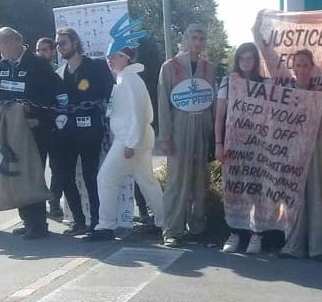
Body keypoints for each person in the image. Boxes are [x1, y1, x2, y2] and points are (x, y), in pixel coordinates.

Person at [0, 27, 63, 239]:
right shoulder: (1, 66)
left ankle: (38, 224)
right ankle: (27, 220)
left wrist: (39, 119)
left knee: (32, 175)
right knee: (17, 174)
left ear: (12, 43)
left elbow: (52, 96)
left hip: (34, 131)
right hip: (10, 129)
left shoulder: (38, 64)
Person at [88, 39, 164, 241]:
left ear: (126, 58)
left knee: (106, 178)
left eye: (114, 57)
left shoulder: (130, 81)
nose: (109, 61)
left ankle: (106, 226)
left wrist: (131, 142)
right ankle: (166, 221)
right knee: (147, 181)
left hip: (130, 139)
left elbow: (137, 114)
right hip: (133, 137)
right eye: (108, 57)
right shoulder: (126, 79)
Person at [278, 50, 322, 260]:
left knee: (316, 196)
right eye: (299, 65)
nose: (302, 69)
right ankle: (292, 246)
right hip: (291, 151)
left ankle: (318, 248)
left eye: (306, 65)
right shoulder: (283, 92)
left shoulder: (320, 92)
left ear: (311, 68)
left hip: (314, 150)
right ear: (293, 68)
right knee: (293, 198)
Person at [53, 28, 115, 236]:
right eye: (57, 44)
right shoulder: (60, 73)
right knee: (64, 174)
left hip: (91, 129)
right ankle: (78, 220)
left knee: (90, 175)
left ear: (75, 43)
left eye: (62, 43)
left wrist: (112, 121)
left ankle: (97, 222)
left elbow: (112, 94)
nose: (59, 47)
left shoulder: (96, 66)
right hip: (66, 131)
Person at [157, 24, 214, 248]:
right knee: (177, 180)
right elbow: (163, 104)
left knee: (200, 178)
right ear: (186, 39)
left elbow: (211, 101)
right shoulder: (170, 67)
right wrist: (166, 137)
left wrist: (211, 135)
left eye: (201, 38)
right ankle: (172, 229)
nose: (197, 42)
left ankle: (197, 226)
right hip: (179, 126)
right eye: (194, 37)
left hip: (202, 125)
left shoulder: (208, 68)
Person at [215, 42, 267, 254]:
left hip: (258, 146)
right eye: (242, 58)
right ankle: (235, 232)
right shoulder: (228, 83)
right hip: (233, 143)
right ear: (237, 60)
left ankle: (257, 235)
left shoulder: (264, 84)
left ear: (256, 61)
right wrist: (218, 143)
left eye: (250, 58)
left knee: (256, 190)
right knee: (234, 189)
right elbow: (219, 117)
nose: (246, 62)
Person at [35, 36, 64, 219]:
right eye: (38, 50)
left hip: (54, 128)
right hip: (35, 128)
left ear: (53, 52)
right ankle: (37, 206)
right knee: (36, 168)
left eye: (45, 49)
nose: (41, 53)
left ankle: (54, 203)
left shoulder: (58, 72)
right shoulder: (33, 71)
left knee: (57, 169)